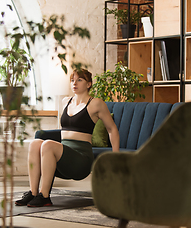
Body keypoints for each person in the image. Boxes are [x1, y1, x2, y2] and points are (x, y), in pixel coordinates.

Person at [15, 68, 120, 207]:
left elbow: (112, 129)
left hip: (81, 159)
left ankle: (45, 196)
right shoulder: (65, 101)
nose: (74, 83)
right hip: (64, 157)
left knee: (47, 145)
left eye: (79, 80)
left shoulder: (96, 103)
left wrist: (116, 156)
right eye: (72, 80)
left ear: (89, 84)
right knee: (35, 144)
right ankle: (33, 193)